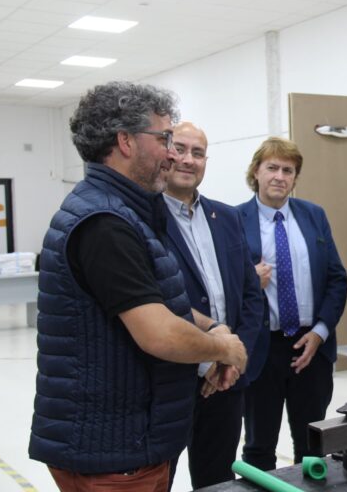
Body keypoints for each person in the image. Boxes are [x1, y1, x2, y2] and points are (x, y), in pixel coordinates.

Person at [29, 82, 248, 492]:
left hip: (126, 441)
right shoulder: (105, 224)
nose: (172, 151)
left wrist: (212, 327)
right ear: (125, 141)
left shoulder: (125, 211)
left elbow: (161, 301)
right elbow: (159, 333)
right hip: (112, 451)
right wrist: (224, 347)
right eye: (164, 138)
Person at [163, 122, 264, 488]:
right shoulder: (145, 219)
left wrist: (232, 360)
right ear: (164, 152)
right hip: (171, 380)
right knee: (162, 477)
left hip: (226, 382)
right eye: (180, 149)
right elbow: (158, 306)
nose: (189, 160)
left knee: (217, 479)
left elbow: (252, 298)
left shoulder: (227, 217)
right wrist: (207, 359)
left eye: (199, 152)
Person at [239, 136, 347, 470]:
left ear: (295, 178)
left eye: (288, 170)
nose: (280, 176)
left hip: (310, 346)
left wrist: (320, 332)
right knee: (259, 445)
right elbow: (223, 287)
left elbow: (337, 279)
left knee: (313, 444)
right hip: (261, 348)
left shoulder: (313, 216)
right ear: (256, 172)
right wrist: (248, 279)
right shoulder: (233, 219)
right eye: (272, 167)